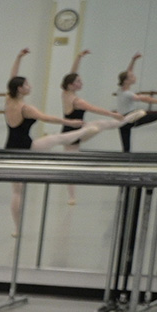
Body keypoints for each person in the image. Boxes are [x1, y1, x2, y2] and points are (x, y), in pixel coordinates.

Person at [1, 50, 139, 231]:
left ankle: (17, 229)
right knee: (61, 138)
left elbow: (13, 78)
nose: (29, 86)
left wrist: (18, 58)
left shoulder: (9, 100)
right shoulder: (26, 107)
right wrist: (70, 121)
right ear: (20, 89)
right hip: (28, 148)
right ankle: (98, 127)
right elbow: (48, 118)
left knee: (17, 191)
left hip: (10, 148)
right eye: (26, 84)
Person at [57, 52, 125, 204]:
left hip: (72, 130)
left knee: (98, 125)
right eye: (78, 81)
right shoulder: (76, 100)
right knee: (70, 165)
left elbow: (71, 74)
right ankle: (72, 196)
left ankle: (121, 122)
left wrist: (78, 58)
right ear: (71, 85)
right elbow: (94, 108)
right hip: (73, 133)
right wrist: (113, 114)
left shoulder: (65, 93)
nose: (81, 83)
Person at [115, 54, 157, 152]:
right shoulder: (127, 94)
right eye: (132, 76)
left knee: (126, 148)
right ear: (126, 81)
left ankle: (124, 156)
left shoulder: (120, 90)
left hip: (122, 121)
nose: (134, 77)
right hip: (130, 118)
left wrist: (133, 60)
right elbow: (145, 99)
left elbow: (128, 72)